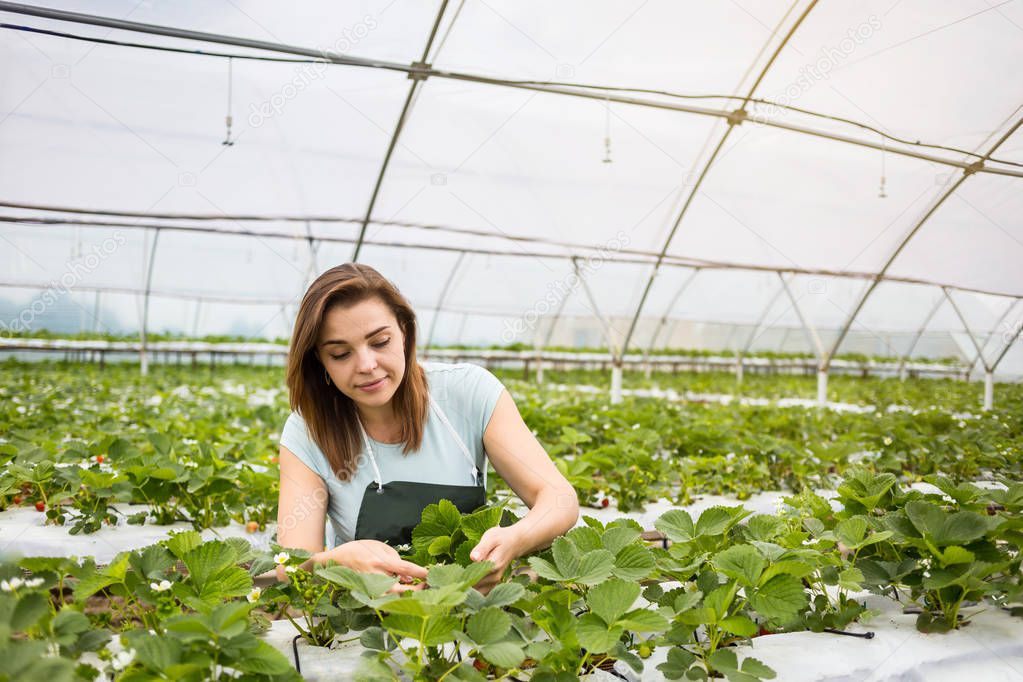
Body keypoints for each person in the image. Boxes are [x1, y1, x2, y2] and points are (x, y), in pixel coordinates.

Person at [276, 263, 579, 593]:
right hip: (367, 623)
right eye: (340, 353)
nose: (366, 365)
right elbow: (290, 565)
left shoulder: (469, 394)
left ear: (404, 332)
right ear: (320, 361)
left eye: (379, 342)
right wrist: (340, 563)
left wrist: (515, 539)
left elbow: (559, 498)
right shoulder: (308, 432)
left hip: (470, 611)